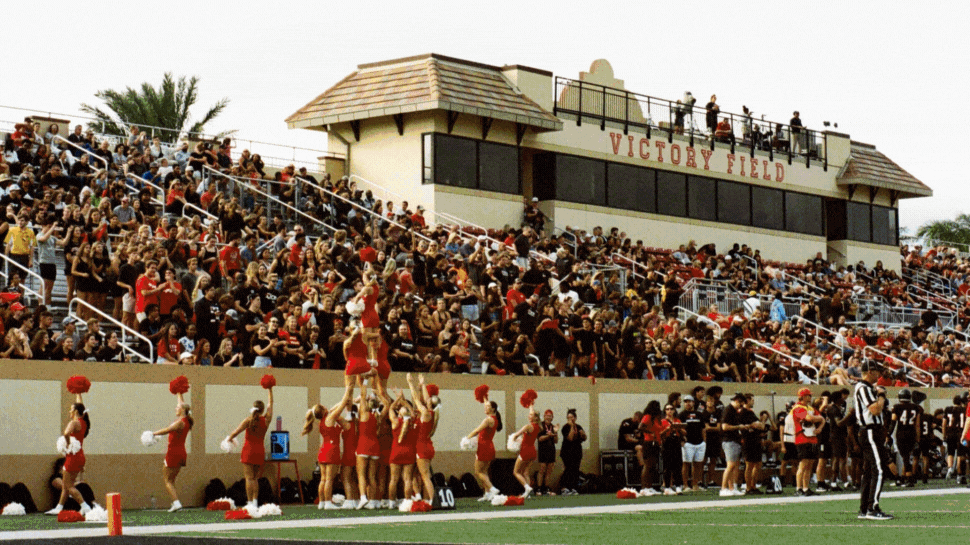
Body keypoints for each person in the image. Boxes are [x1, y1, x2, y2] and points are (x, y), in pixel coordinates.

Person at [302, 382, 353, 509]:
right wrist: (348, 389)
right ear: (323, 409)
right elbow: (341, 405)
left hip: (323, 450)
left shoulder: (323, 420)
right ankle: (328, 502)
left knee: (323, 479)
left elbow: (335, 408)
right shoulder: (330, 418)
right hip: (332, 450)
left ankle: (322, 502)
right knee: (329, 479)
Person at [854, 361, 893, 520]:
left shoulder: (866, 388)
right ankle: (872, 507)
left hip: (871, 431)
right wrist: (882, 396)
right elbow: (875, 410)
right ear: (870, 371)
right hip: (869, 431)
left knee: (869, 471)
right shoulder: (863, 387)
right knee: (879, 469)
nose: (879, 375)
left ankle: (864, 508)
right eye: (877, 371)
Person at [45, 392, 94, 516]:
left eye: (71, 409)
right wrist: (78, 393)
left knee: (68, 486)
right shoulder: (83, 422)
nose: (69, 411)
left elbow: (66, 433)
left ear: (76, 411)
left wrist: (68, 445)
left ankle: (84, 506)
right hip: (80, 456)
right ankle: (59, 508)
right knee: (67, 485)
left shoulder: (73, 423)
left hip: (72, 457)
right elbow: (81, 405)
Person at [226, 386, 274, 510]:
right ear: (262, 410)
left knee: (248, 478)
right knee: (256, 478)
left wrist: (229, 439)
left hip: (248, 450)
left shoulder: (248, 420)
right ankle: (255, 501)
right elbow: (270, 404)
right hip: (259, 450)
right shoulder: (266, 420)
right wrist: (270, 390)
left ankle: (250, 503)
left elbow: (235, 432)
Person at [147, 391, 193, 512]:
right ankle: (175, 502)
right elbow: (182, 403)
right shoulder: (187, 420)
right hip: (182, 453)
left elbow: (167, 430)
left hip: (173, 453)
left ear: (182, 410)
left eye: (177, 407)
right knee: (172, 480)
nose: (176, 408)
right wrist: (179, 392)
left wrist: (152, 434)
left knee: (167, 480)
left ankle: (177, 503)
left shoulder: (180, 423)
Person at [407, 374, 439, 503]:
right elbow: (425, 400)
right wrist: (422, 384)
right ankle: (424, 498)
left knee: (425, 476)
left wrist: (410, 382)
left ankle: (432, 500)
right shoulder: (431, 412)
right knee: (423, 475)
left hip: (422, 447)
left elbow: (416, 399)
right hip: (427, 446)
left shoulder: (425, 413)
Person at [464, 397, 502, 502]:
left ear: (493, 409)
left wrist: (467, 438)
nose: (485, 407)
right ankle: (487, 493)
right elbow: (487, 404)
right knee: (484, 471)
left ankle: (492, 489)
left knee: (478, 472)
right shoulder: (495, 418)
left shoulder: (488, 420)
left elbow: (477, 431)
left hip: (484, 447)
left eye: (488, 407)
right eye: (485, 406)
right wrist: (485, 397)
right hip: (489, 446)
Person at [792, 388, 825, 496]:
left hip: (812, 437)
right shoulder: (797, 408)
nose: (810, 398)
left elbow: (822, 419)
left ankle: (806, 488)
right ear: (803, 397)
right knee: (803, 464)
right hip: (802, 438)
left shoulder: (810, 408)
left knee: (810, 464)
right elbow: (809, 418)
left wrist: (820, 427)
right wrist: (817, 419)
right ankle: (799, 488)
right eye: (808, 396)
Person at [889, 388, 922, 487]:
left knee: (906, 458)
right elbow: (917, 425)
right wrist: (918, 438)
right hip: (911, 434)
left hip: (901, 434)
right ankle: (904, 478)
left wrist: (888, 434)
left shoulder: (897, 407)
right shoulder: (916, 407)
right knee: (907, 457)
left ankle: (910, 480)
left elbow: (893, 422)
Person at [511, 402, 541, 498]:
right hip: (533, 451)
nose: (529, 415)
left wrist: (513, 440)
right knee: (525, 472)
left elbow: (516, 435)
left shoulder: (527, 426)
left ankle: (527, 488)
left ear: (534, 417)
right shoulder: (538, 427)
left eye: (530, 415)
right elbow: (528, 438)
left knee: (516, 472)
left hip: (525, 451)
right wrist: (531, 404)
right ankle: (529, 493)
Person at [719, 393, 746, 496]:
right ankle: (723, 488)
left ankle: (732, 488)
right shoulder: (728, 410)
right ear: (737, 401)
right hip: (729, 440)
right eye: (741, 404)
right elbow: (725, 427)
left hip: (734, 440)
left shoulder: (733, 411)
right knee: (730, 466)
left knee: (734, 466)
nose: (741, 407)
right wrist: (738, 427)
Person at [679, 395, 705, 491]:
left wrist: (704, 441)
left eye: (689, 401)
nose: (687, 403)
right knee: (686, 464)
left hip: (699, 442)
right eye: (685, 402)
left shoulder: (699, 414)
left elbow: (703, 428)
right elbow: (679, 428)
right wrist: (682, 440)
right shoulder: (681, 415)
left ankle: (695, 485)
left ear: (693, 402)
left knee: (698, 464)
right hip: (688, 443)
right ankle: (685, 485)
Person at [559, 408, 587, 495]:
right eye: (568, 418)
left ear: (575, 418)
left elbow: (584, 438)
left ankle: (573, 487)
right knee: (568, 469)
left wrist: (583, 434)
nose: (570, 419)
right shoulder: (565, 427)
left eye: (571, 417)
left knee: (575, 470)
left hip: (577, 452)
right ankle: (564, 488)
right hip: (567, 452)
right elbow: (570, 438)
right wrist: (571, 426)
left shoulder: (578, 427)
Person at [535, 409, 558, 496]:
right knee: (542, 470)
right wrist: (548, 436)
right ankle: (539, 488)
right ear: (544, 416)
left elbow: (556, 441)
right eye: (547, 415)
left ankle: (546, 488)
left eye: (550, 416)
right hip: (543, 450)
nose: (548, 417)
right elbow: (540, 438)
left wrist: (555, 432)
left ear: (552, 417)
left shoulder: (553, 427)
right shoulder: (540, 425)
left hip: (551, 450)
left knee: (549, 471)